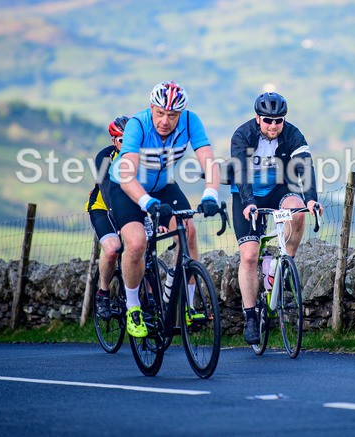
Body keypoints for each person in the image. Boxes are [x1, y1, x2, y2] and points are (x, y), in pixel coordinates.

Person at [107, 81, 221, 338]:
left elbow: (209, 162)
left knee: (188, 232)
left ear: (180, 114)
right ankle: (133, 305)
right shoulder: (138, 124)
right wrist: (146, 203)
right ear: (151, 109)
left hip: (163, 185)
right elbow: (127, 176)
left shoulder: (191, 122)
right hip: (127, 187)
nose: (165, 121)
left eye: (172, 115)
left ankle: (187, 305)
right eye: (160, 113)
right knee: (136, 243)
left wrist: (211, 194)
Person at [229, 92, 322, 344]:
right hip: (246, 194)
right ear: (258, 118)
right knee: (249, 255)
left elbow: (305, 166)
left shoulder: (292, 134)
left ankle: (285, 265)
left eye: (278, 120)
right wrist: (248, 203)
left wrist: (311, 198)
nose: (273, 125)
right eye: (268, 120)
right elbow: (241, 172)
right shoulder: (243, 135)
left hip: (276, 190)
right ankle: (250, 316)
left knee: (298, 210)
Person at [86, 115, 129, 321]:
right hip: (103, 207)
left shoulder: (142, 156)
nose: (127, 144)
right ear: (114, 141)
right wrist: (119, 218)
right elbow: (105, 189)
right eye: (122, 140)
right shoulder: (104, 157)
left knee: (144, 252)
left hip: (130, 207)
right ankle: (103, 293)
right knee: (112, 249)